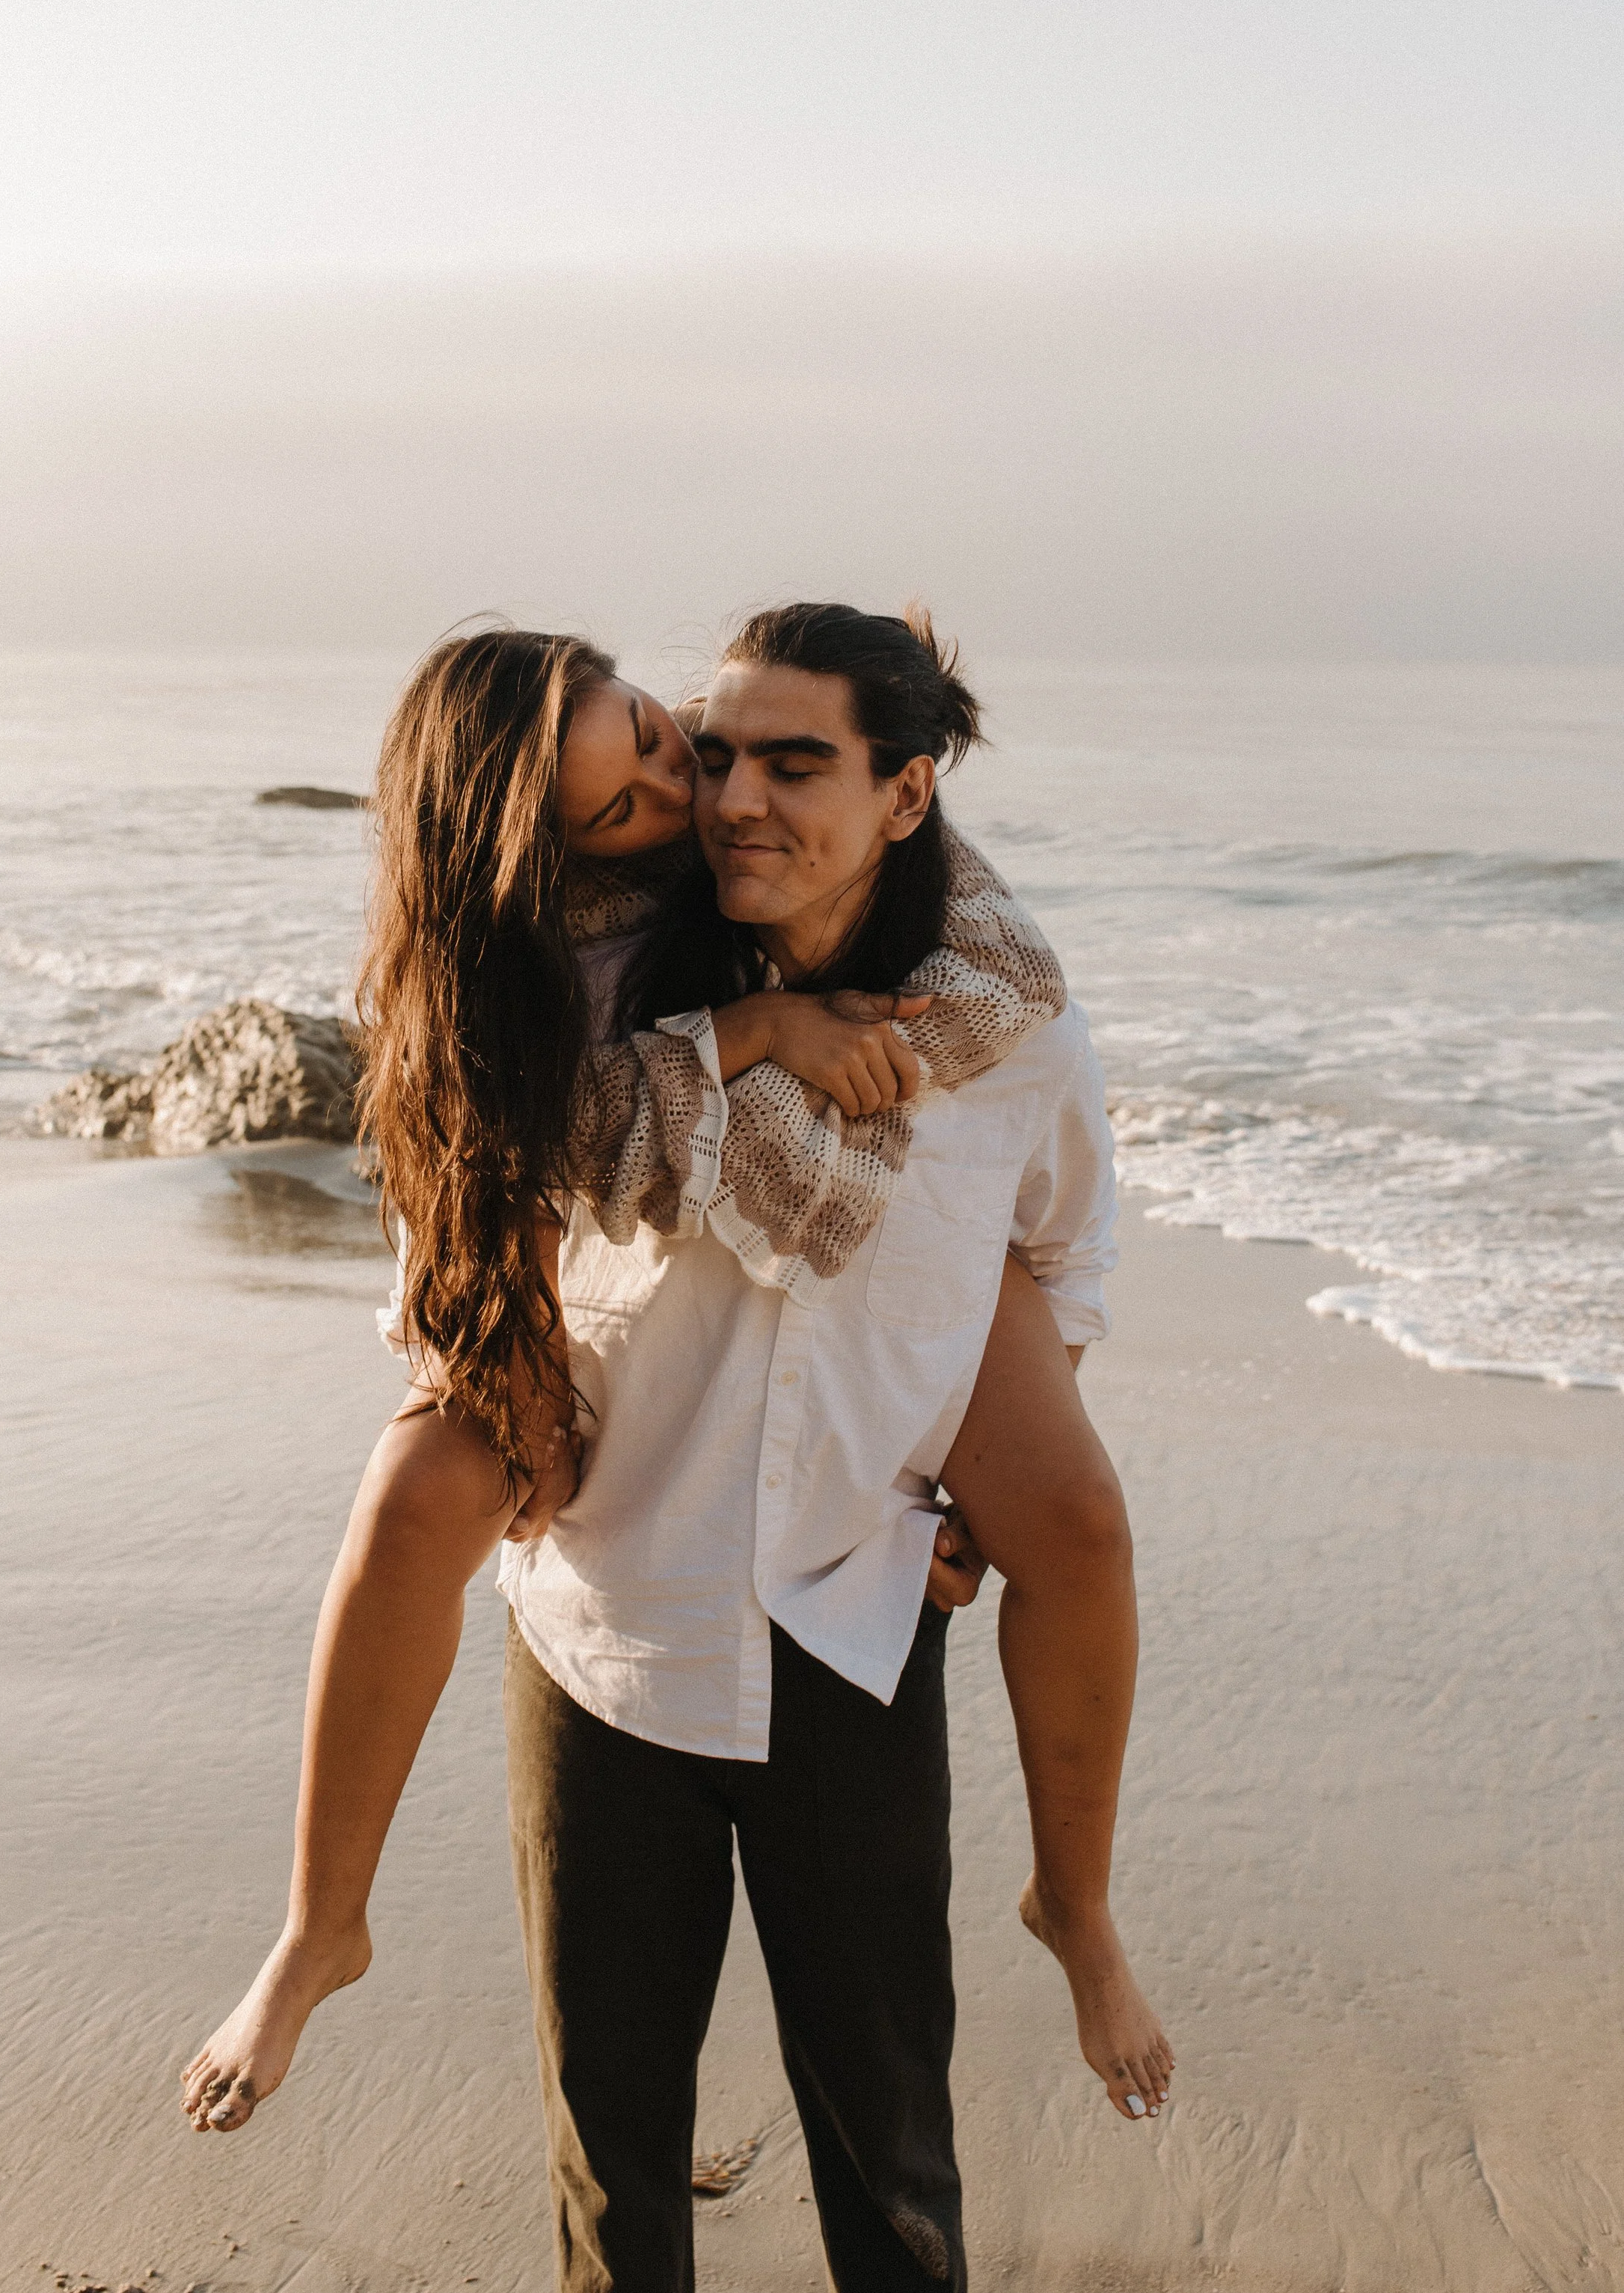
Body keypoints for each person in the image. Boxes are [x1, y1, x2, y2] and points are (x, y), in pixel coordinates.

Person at [181, 610, 1171, 2283]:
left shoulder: (994, 1021)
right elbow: (468, 1183)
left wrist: (987, 1469)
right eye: (691, 770)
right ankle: (315, 1930)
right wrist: (743, 1045)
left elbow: (1066, 1250)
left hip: (848, 1616)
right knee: (611, 2152)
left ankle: (1077, 1911)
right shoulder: (593, 983)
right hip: (610, 1625)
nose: (710, 800)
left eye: (718, 752)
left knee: (892, 2154)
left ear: (905, 792)